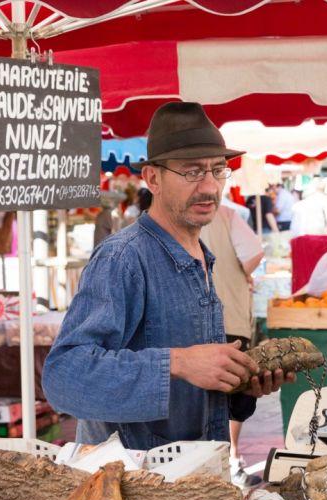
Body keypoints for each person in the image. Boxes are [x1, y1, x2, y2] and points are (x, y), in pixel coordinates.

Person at [42, 102, 291, 450]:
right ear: (153, 178)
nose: (209, 186)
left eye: (217, 170)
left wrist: (239, 386)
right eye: (192, 172)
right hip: (133, 488)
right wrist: (179, 362)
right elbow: (65, 376)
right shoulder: (123, 258)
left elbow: (192, 390)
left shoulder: (201, 256)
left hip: (194, 484)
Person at [199, 201, 265, 486]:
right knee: (235, 390)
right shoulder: (226, 215)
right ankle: (232, 458)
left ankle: (215, 465)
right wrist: (243, 273)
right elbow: (253, 253)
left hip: (198, 326)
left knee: (216, 396)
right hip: (231, 318)